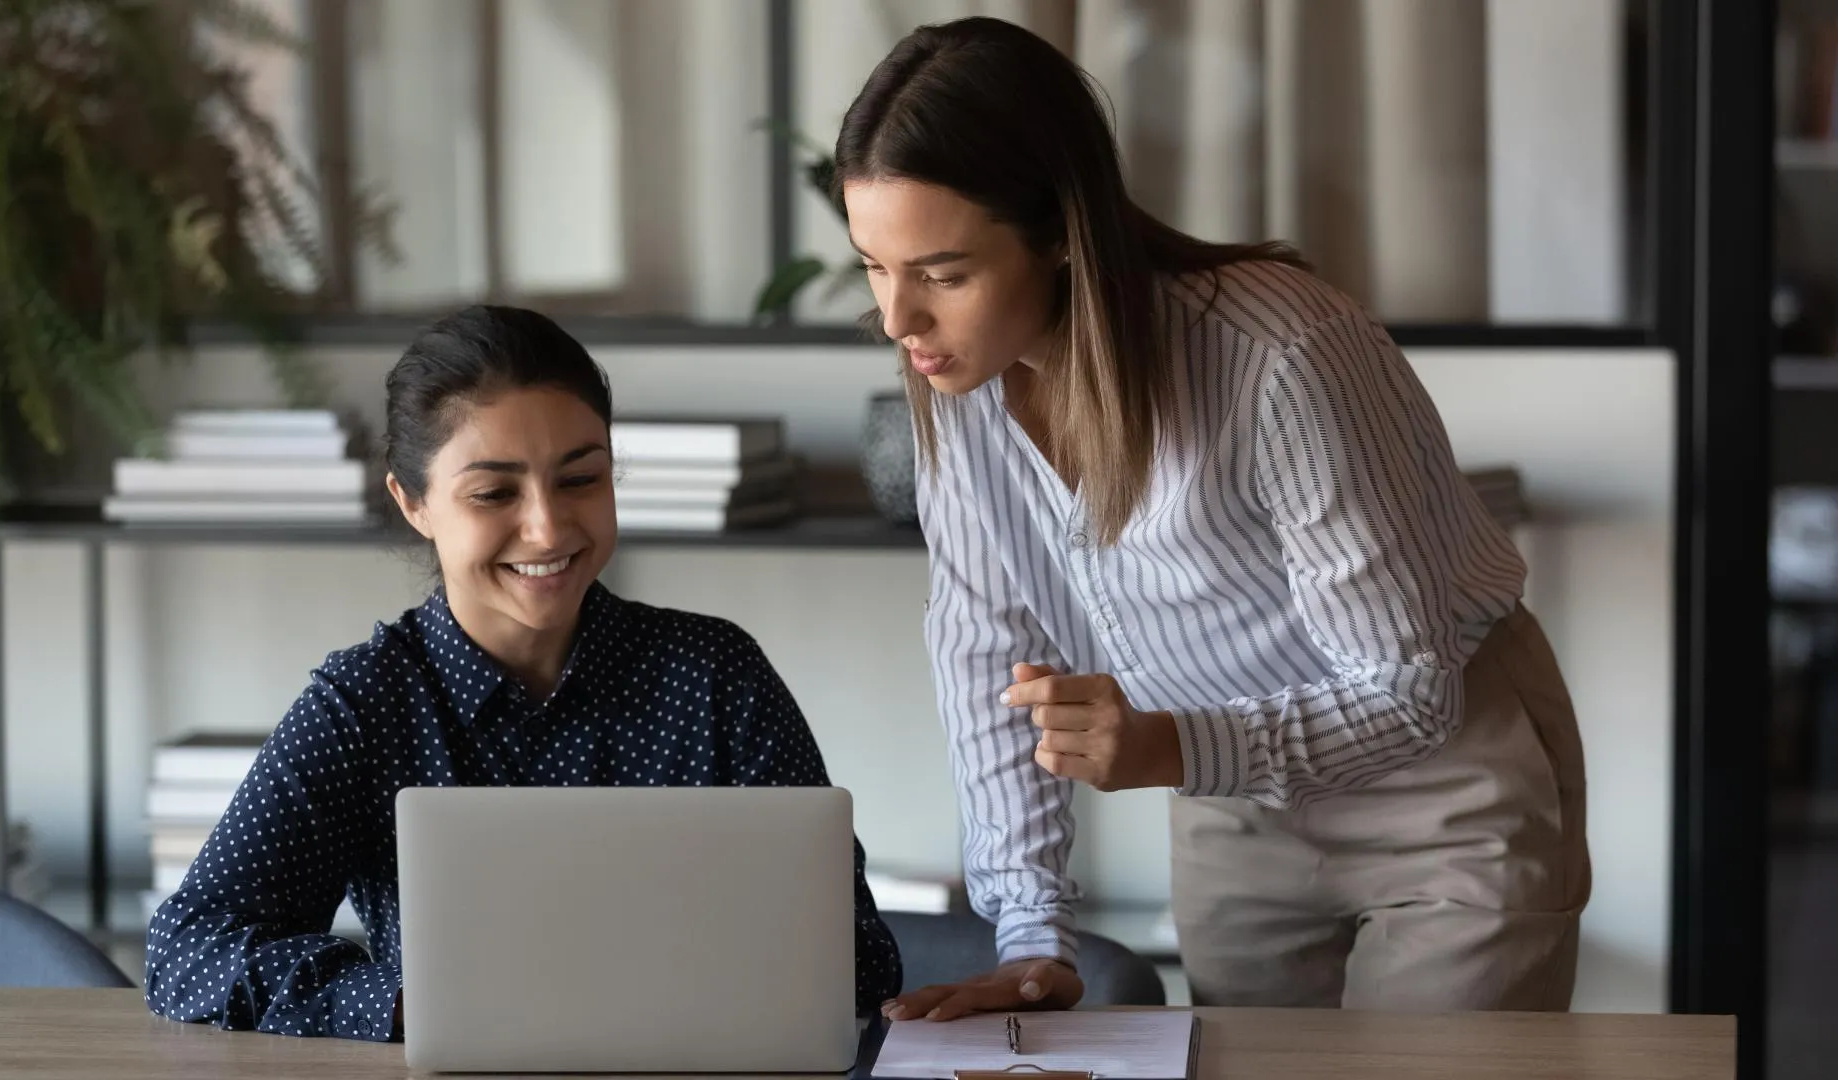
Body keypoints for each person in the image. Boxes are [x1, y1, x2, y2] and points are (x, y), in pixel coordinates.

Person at [840, 18, 1590, 1022]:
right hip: (1231, 813)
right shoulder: (957, 391)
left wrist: (1167, 751)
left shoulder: (1281, 352)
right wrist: (1031, 938)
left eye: (942, 273)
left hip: (1441, 786)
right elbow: (988, 659)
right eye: (873, 267)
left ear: (1062, 230)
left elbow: (1412, 693)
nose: (898, 321)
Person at [143, 305, 903, 1040]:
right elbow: (186, 953)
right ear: (413, 503)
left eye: (580, 479)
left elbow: (860, 958)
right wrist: (415, 1001)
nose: (547, 526)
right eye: (494, 492)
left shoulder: (716, 677)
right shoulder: (367, 704)